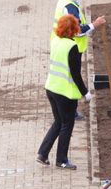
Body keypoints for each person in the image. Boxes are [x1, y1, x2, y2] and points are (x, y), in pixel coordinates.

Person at [37, 15, 91, 170]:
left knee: (58, 121)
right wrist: (85, 92)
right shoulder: (72, 47)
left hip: (51, 88)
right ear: (73, 29)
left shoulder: (55, 41)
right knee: (67, 124)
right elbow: (75, 74)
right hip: (65, 93)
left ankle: (43, 153)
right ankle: (61, 160)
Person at [52, 0, 105, 120]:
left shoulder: (63, 2)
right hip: (70, 47)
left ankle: (66, 108)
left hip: (60, 44)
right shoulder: (69, 6)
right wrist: (95, 24)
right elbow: (78, 31)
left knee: (67, 76)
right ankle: (71, 110)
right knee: (72, 77)